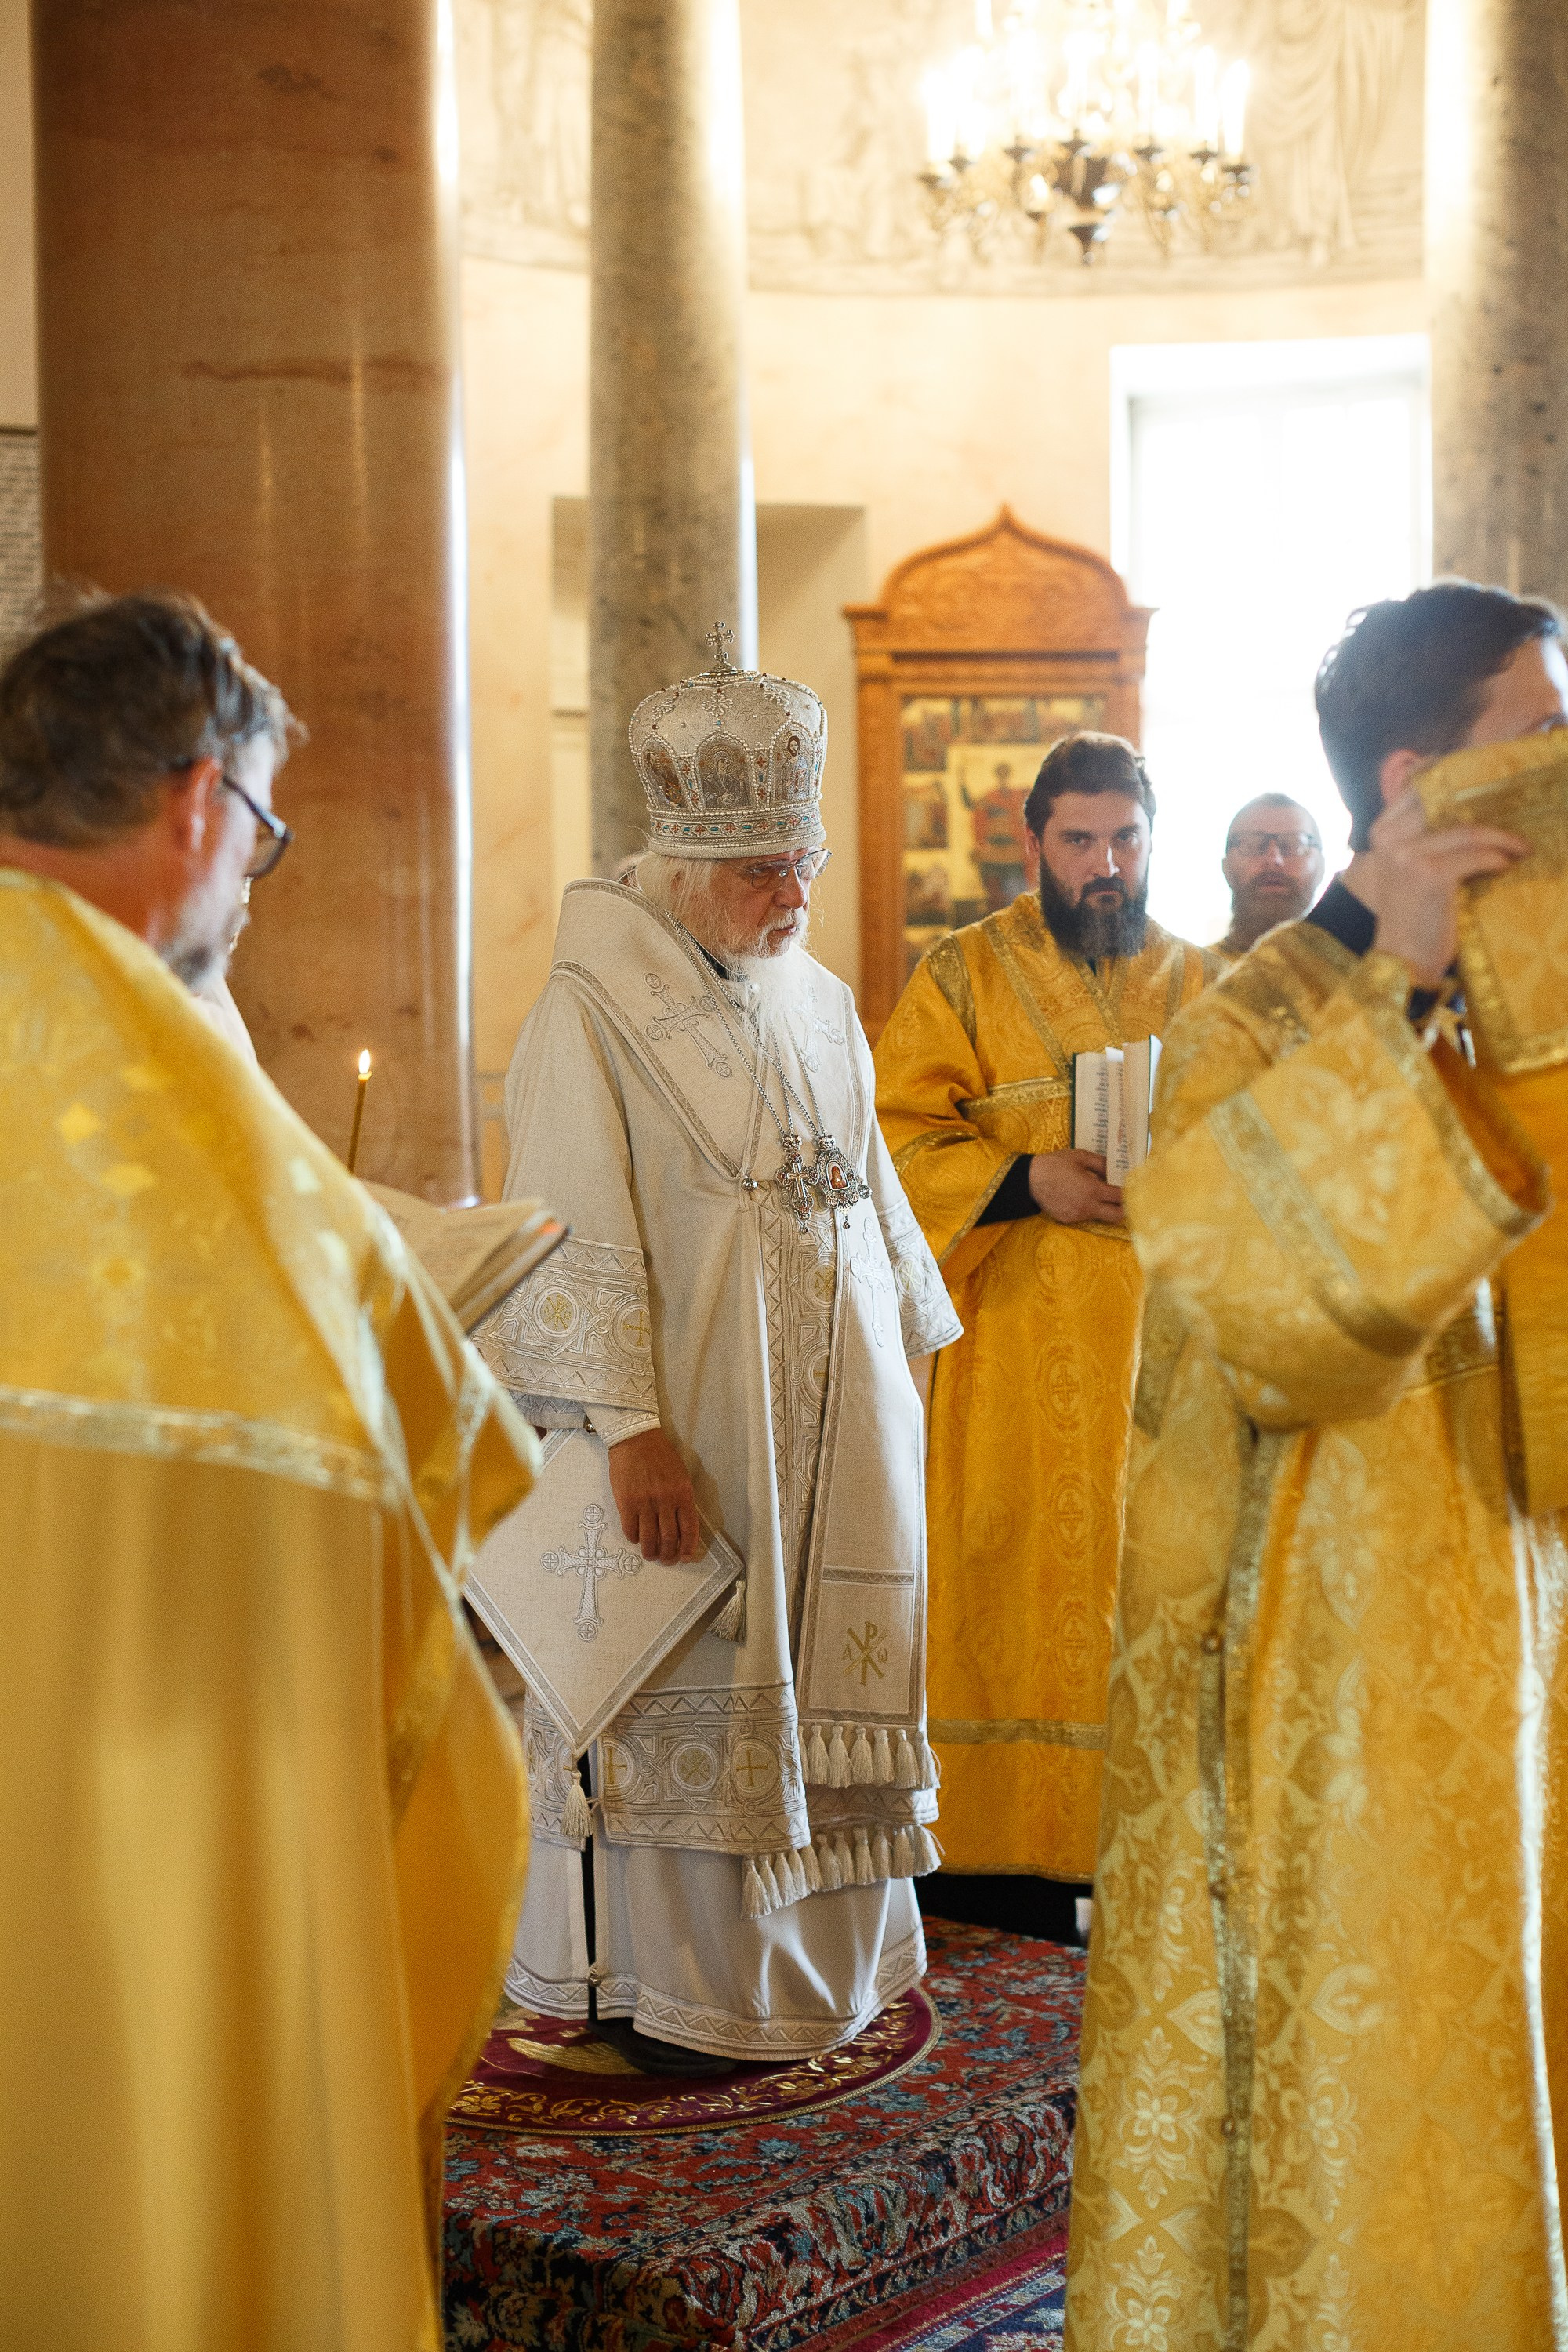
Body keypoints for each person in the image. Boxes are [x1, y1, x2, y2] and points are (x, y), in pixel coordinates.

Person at [0, 591, 536, 2352]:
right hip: (133, 1827)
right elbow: (397, 1466)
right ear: (196, 808)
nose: (251, 877)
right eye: (262, 834)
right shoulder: (175, 1115)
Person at [1064, 579, 1568, 2348]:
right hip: (1320, 1670)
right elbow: (1269, 1313)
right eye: (1540, 735)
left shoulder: (1542, 984)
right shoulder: (1252, 1012)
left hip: (1503, 1613)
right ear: (1424, 780)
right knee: (1373, 2057)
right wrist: (1403, 980)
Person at [479, 638, 959, 2071]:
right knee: (698, 1664)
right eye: (764, 868)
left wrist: (910, 1359)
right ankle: (680, 1996)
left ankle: (829, 1980)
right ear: (687, 869)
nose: (796, 894)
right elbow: (567, 1209)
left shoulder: (816, 997)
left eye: (802, 860)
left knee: (835, 1683)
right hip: (698, 1415)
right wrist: (626, 1423)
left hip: (837, 1421)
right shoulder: (591, 1007)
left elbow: (869, 1187)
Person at [873, 732, 1216, 1926]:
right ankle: (999, 1874)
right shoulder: (960, 976)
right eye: (1080, 839)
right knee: (1005, 1586)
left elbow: (1269, 1149)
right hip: (1011, 1360)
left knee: (1160, 1597)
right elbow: (890, 1142)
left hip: (1169, 1371)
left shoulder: (1205, 983)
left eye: (1126, 838)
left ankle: (1154, 1881)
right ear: (1032, 844)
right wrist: (1028, 1181)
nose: (1105, 863)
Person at [1210, 790, 1325, 960]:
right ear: (1226, 868)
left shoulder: (1359, 978)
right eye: (1253, 844)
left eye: (1294, 844)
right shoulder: (1193, 976)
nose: (1274, 860)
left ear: (1321, 868)